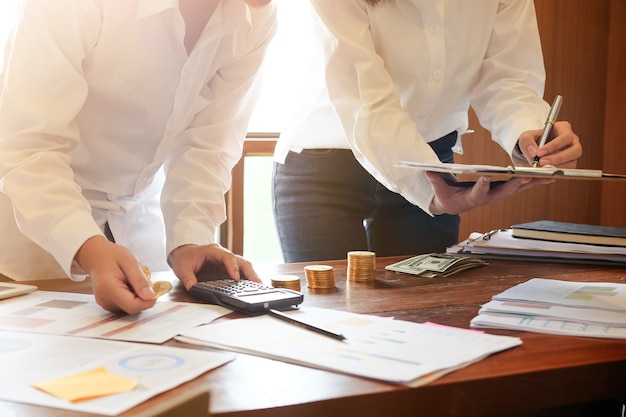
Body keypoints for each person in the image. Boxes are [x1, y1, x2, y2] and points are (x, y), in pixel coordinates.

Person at [0, 0, 276, 314]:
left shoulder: (255, 18)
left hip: (140, 234)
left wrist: (191, 239)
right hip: (30, 241)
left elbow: (208, 145)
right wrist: (88, 248)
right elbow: (29, 144)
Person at [272, 0, 582, 263]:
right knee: (332, 320)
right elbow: (366, 100)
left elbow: (508, 77)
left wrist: (529, 135)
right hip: (324, 173)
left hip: (433, 164)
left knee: (425, 319)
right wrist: (427, 187)